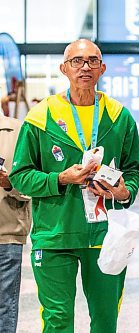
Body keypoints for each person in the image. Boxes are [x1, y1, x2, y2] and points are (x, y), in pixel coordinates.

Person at [9, 39, 139, 333]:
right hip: (55, 235)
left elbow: (133, 170)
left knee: (106, 320)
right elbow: (20, 175)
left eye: (92, 60)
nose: (85, 67)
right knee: (57, 321)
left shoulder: (120, 118)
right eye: (77, 61)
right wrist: (60, 178)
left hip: (106, 237)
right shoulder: (40, 117)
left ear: (103, 68)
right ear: (64, 68)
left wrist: (123, 192)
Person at [0, 113, 32, 333]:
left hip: (7, 233)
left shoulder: (20, 131)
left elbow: (34, 185)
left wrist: (9, 183)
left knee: (5, 307)